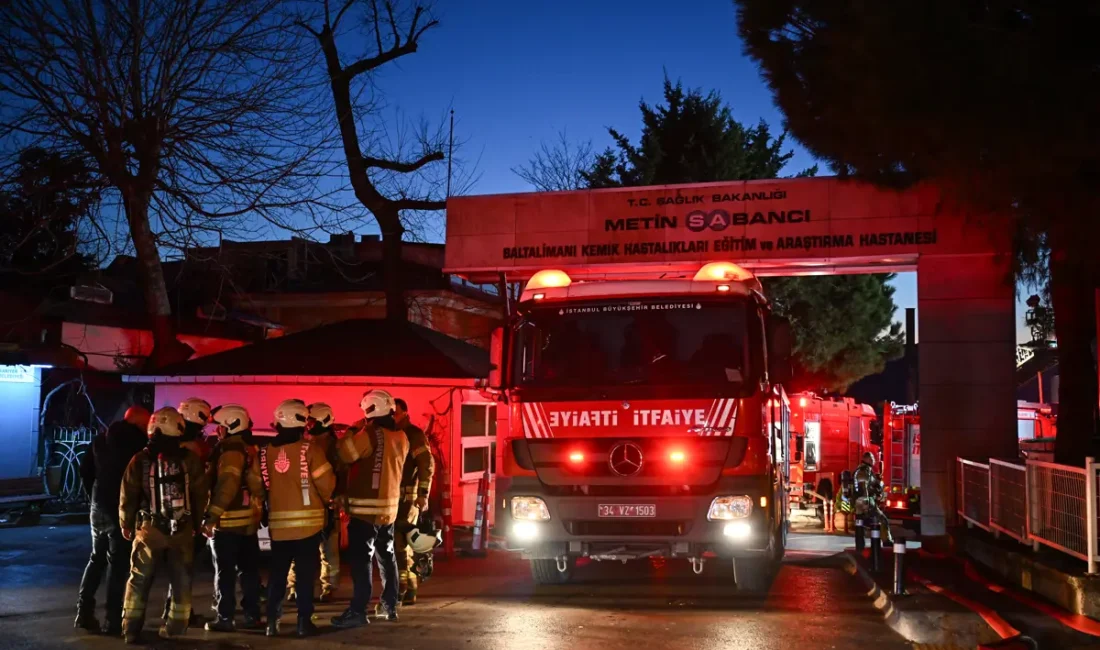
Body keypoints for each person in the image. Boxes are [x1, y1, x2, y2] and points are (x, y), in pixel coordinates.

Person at [119, 407, 207, 643]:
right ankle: (175, 628)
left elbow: (128, 495)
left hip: (150, 529)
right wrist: (197, 524)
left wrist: (126, 524)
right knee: (181, 581)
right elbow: (200, 494)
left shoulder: (140, 459)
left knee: (139, 580)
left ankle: (131, 629)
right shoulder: (190, 460)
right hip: (182, 530)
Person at [330, 389, 409, 628]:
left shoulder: (369, 434)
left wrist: (352, 431)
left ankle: (357, 610)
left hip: (365, 511)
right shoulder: (401, 436)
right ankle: (389, 605)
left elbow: (345, 454)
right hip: (389, 510)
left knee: (361, 560)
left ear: (369, 410)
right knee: (387, 556)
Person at [259, 399, 335, 638]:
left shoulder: (265, 453)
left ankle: (272, 622)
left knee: (277, 576)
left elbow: (256, 484)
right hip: (308, 528)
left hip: (278, 528)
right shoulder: (310, 449)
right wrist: (329, 505)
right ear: (301, 421)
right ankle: (304, 623)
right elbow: (327, 484)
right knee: (304, 577)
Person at [75, 406, 150, 636]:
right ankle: (113, 620)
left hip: (97, 507)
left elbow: (85, 470)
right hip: (121, 510)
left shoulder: (101, 439)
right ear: (138, 424)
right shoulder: (138, 447)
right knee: (118, 566)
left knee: (96, 559)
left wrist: (94, 497)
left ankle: (84, 612)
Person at [201, 404, 265, 633]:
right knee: (249, 571)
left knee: (225, 573)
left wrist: (211, 516)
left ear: (230, 425)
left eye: (220, 426)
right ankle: (252, 615)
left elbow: (227, 486)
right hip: (248, 523)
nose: (217, 431)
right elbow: (257, 485)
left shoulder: (229, 452)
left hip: (227, 523)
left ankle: (225, 617)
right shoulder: (249, 449)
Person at [163, 397, 213, 627]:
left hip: (170, 512)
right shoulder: (192, 447)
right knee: (184, 567)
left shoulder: (171, 443)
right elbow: (199, 485)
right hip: (188, 514)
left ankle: (172, 610)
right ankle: (181, 614)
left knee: (178, 566)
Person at [288, 402, 342, 603]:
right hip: (310, 505)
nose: (308, 425)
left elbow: (339, 476)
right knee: (302, 551)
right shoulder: (307, 444)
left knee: (328, 552)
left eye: (311, 421)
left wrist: (336, 501)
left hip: (326, 505)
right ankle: (295, 587)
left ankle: (328, 588)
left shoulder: (333, 447)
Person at [391, 397, 434, 607]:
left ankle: (402, 589)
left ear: (405, 413)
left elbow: (426, 465)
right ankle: (409, 589)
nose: (392, 417)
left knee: (399, 544)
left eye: (396, 413)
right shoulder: (392, 434)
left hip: (408, 499)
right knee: (401, 546)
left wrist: (423, 494)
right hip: (394, 498)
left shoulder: (414, 435)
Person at [853, 451, 892, 544]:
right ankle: (887, 540)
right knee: (882, 519)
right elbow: (864, 487)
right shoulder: (864, 471)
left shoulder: (862, 470)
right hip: (866, 502)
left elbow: (870, 485)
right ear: (867, 459)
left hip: (860, 503)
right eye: (872, 458)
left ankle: (860, 545)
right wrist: (867, 504)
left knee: (860, 525)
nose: (873, 460)